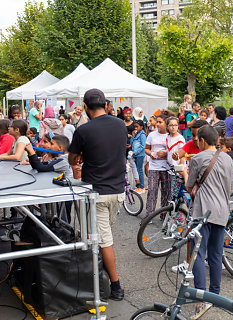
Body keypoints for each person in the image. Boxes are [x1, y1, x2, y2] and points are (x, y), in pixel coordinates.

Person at [68, 89, 127, 301]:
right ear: (105, 104)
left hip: (97, 193)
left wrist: (81, 157)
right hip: (119, 191)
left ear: (85, 106)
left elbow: (72, 160)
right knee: (103, 235)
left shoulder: (83, 130)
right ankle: (100, 267)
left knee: (104, 240)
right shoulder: (121, 124)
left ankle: (116, 286)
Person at [181, 125, 233, 319]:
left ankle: (201, 298)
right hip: (221, 212)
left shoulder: (197, 158)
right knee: (215, 254)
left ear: (202, 140)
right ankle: (215, 295)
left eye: (197, 140)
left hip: (202, 212)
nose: (196, 142)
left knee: (198, 254)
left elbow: (189, 186)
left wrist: (186, 177)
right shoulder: (228, 158)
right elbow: (230, 189)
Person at [144, 114, 170, 218]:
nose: (157, 124)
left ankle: (163, 215)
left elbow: (175, 151)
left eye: (160, 122)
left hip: (167, 168)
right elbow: (146, 149)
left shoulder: (170, 135)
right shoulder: (152, 135)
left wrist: (165, 154)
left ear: (166, 124)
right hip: (154, 167)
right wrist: (151, 154)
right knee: (152, 191)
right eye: (157, 122)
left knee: (165, 192)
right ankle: (149, 215)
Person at [131, 120, 147, 191]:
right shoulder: (136, 134)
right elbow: (132, 143)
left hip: (140, 154)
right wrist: (132, 136)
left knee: (139, 170)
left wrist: (135, 152)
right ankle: (140, 186)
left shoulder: (142, 135)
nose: (135, 128)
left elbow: (143, 146)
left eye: (137, 127)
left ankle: (142, 186)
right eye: (134, 127)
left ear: (141, 127)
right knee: (137, 169)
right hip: (136, 154)